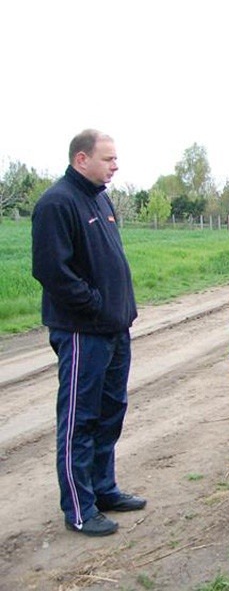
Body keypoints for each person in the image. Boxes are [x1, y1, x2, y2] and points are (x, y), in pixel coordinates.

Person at [31, 129, 145, 537]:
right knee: (81, 418)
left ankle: (103, 488)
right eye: (108, 159)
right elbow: (51, 271)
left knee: (111, 411)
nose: (115, 166)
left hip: (115, 330)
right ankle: (79, 508)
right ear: (82, 159)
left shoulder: (100, 196)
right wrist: (96, 304)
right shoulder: (57, 203)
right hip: (83, 332)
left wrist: (118, 309)